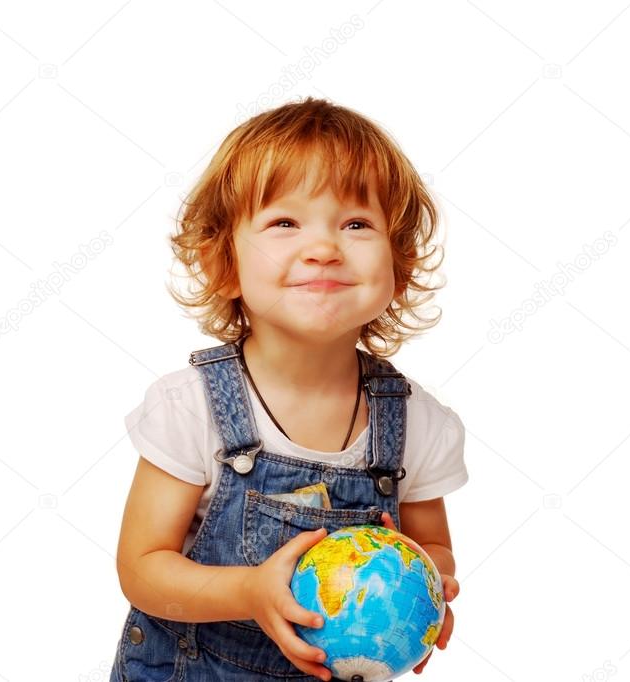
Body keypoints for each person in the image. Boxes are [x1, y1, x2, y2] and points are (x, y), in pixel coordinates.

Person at [108, 97, 468, 681]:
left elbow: (434, 548)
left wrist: (427, 586)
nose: (323, 247)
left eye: (356, 223)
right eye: (284, 222)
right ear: (222, 261)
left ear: (399, 269)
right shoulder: (191, 407)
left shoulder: (420, 426)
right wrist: (249, 591)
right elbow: (143, 570)